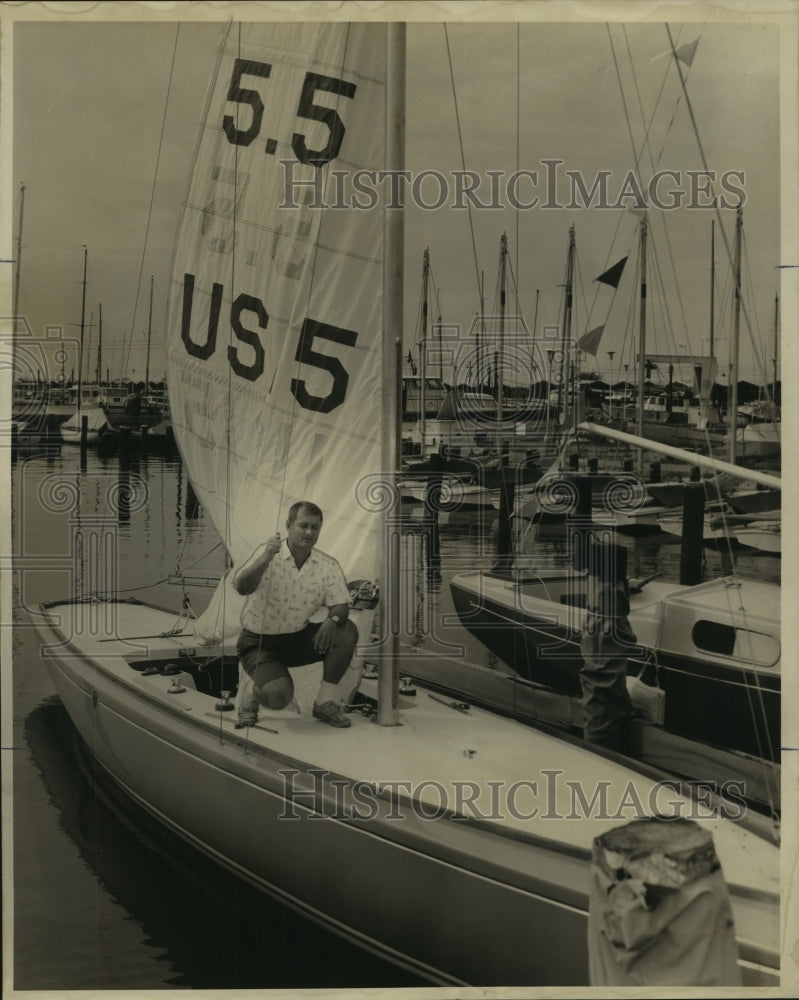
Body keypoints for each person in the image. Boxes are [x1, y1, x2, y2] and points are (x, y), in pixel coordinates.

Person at [232, 500, 358, 729]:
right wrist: (265, 559)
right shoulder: (267, 553)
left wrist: (332, 620)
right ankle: (251, 690)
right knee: (279, 696)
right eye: (303, 526)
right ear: (289, 525)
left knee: (346, 630)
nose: (309, 532)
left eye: (315, 527)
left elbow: (341, 605)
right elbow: (241, 587)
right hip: (258, 642)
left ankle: (324, 702)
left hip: (295, 639)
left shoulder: (327, 565)